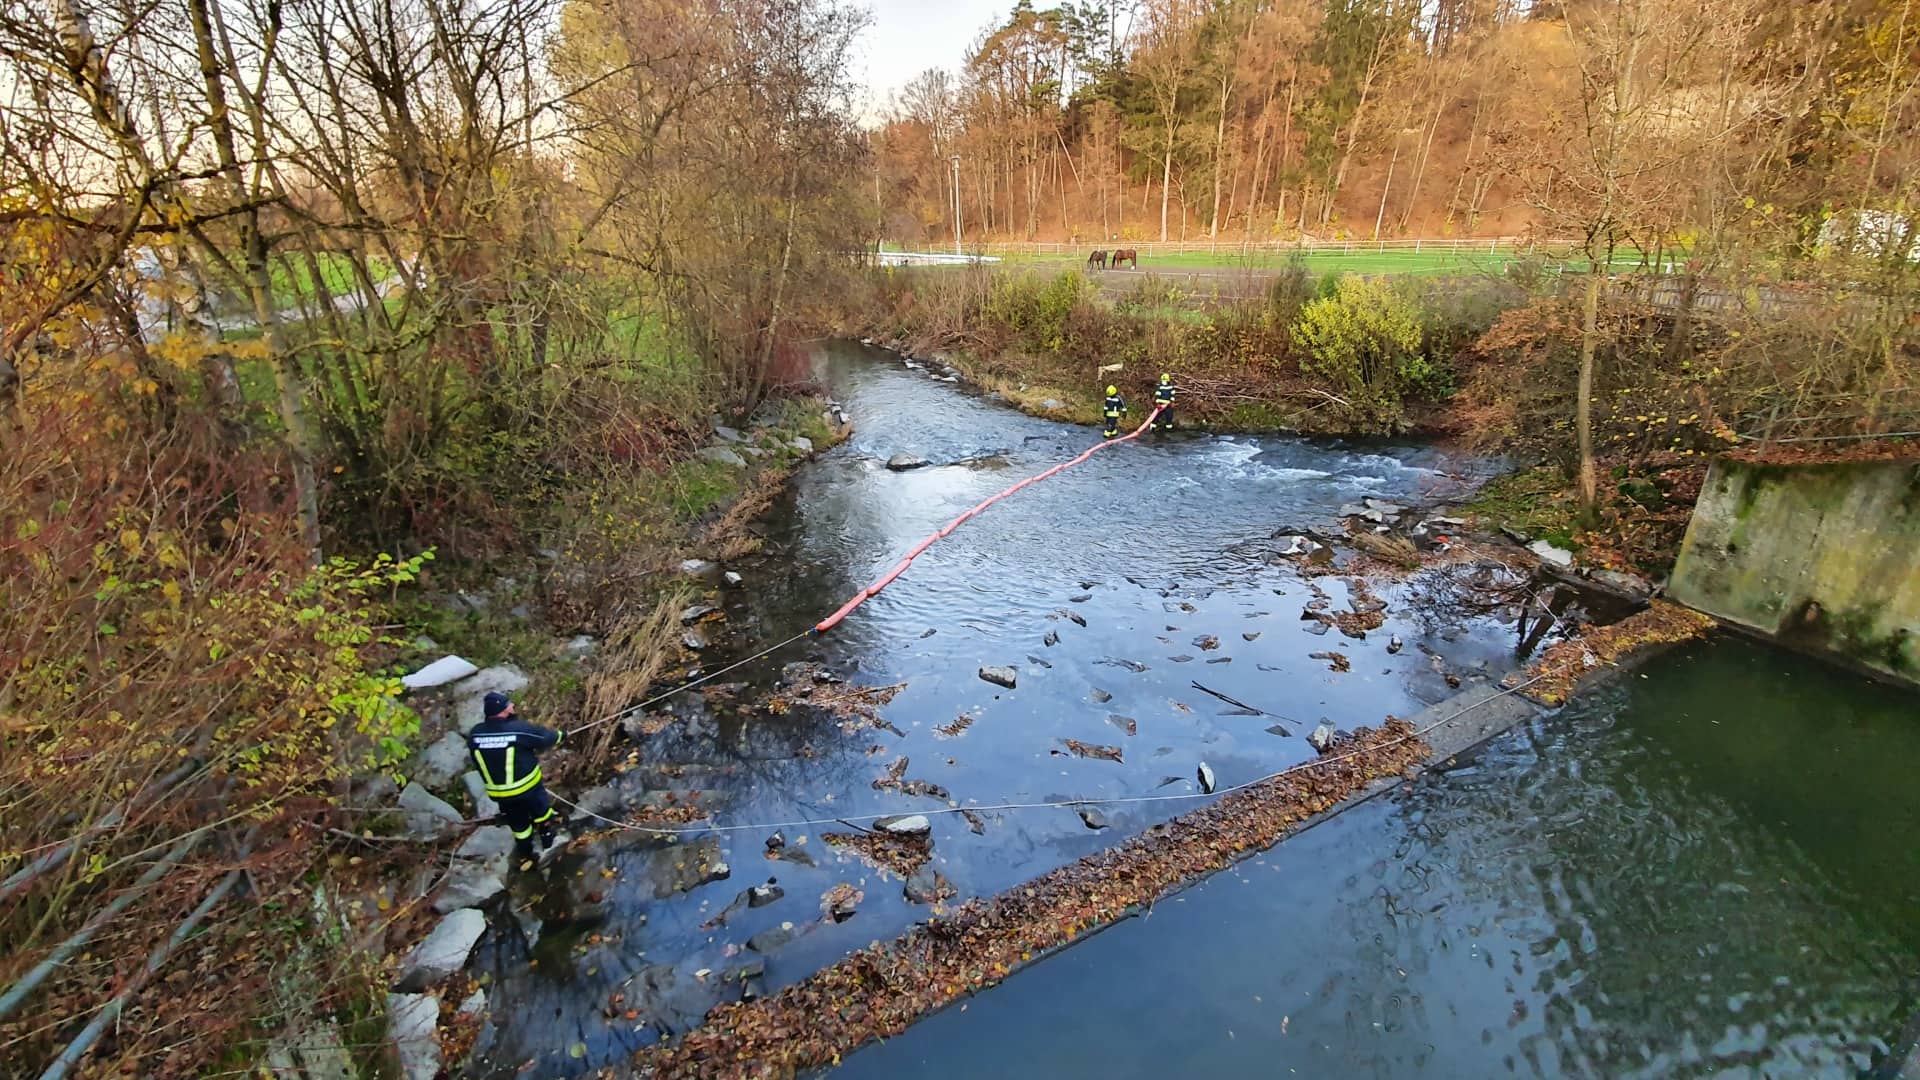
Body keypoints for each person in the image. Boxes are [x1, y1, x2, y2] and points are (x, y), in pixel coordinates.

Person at [466, 691, 564, 863]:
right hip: (527, 787)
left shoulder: (475, 734)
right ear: (503, 711)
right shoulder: (517, 730)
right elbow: (544, 738)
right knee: (542, 812)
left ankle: (525, 853)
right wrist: (561, 735)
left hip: (500, 794)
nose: (513, 706)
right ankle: (548, 841)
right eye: (509, 705)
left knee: (518, 823)